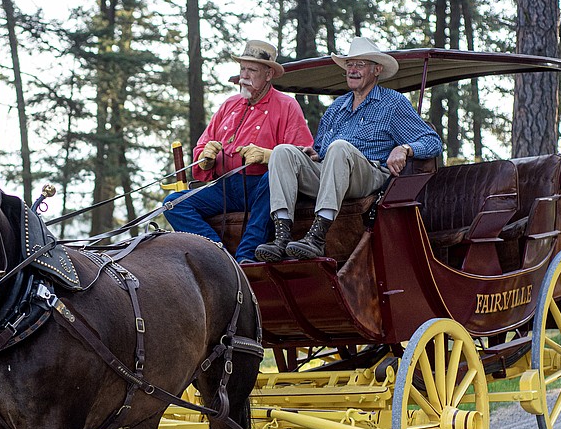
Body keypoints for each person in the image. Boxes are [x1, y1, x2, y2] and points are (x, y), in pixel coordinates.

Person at [249, 36, 443, 262]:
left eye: (360, 64)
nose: (353, 70)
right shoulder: (336, 108)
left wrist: (405, 148)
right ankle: (282, 237)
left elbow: (432, 141)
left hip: (368, 174)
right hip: (332, 174)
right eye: (349, 65)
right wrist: (313, 154)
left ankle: (317, 237)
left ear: (377, 70)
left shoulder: (393, 103)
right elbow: (321, 150)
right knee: (283, 151)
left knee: (340, 148)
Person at [163, 39, 314, 263]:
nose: (244, 74)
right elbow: (202, 149)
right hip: (225, 187)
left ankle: (246, 256)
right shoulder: (229, 105)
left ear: (269, 74)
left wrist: (267, 155)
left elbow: (302, 157)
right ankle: (219, 256)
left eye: (252, 69)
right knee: (173, 204)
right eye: (242, 68)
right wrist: (205, 159)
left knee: (272, 180)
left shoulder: (286, 105)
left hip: (261, 188)